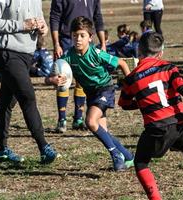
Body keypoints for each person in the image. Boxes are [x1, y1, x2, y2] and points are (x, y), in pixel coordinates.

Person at [118, 32, 183, 199]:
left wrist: (143, 101)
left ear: (138, 52)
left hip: (158, 127)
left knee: (141, 162)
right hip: (181, 121)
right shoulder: (169, 67)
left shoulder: (131, 78)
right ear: (160, 53)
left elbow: (124, 104)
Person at [46, 16, 134, 171]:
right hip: (91, 94)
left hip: (105, 89)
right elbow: (49, 77)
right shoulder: (68, 56)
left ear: (90, 37)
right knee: (102, 132)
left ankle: (116, 156)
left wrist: (131, 87)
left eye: (82, 35)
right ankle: (127, 156)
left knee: (91, 122)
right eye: (75, 36)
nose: (78, 39)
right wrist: (54, 80)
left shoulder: (97, 53)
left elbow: (121, 63)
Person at [0, 0, 65, 164]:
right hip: (5, 52)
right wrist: (21, 25)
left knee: (6, 102)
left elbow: (39, 19)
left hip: (26, 55)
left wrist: (43, 28)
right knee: (27, 96)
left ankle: (0, 150)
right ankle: (44, 147)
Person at [49, 0, 106, 133]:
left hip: (85, 40)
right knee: (63, 79)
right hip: (67, 39)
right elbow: (54, 17)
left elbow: (98, 16)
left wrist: (103, 42)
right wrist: (56, 43)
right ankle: (62, 119)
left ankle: (78, 118)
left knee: (82, 79)